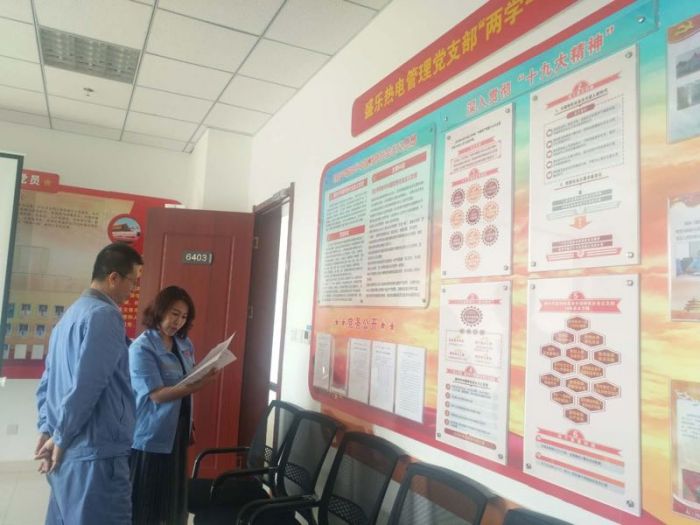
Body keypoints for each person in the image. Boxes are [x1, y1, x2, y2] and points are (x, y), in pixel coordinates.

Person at [34, 242, 144, 525]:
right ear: (114, 278)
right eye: (133, 281)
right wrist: (60, 435)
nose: (134, 290)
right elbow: (88, 385)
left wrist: (48, 429)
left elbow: (47, 381)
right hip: (96, 452)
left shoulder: (69, 316)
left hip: (68, 450)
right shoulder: (105, 315)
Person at [129, 285, 219, 525]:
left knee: (172, 499)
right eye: (174, 314)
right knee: (146, 501)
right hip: (151, 434)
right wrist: (197, 385)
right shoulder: (142, 348)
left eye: (184, 317)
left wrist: (204, 373)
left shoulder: (185, 344)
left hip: (178, 430)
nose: (178, 322)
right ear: (159, 311)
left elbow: (187, 377)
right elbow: (157, 395)